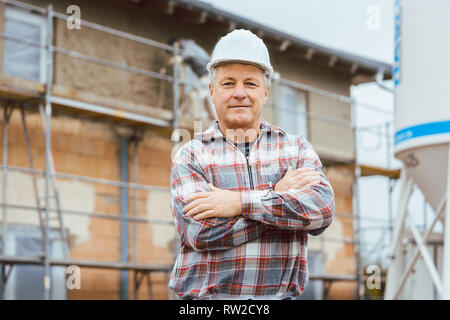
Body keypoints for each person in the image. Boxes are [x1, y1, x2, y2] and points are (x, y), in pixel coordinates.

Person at [169, 29, 335, 300]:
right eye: (228, 83)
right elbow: (199, 232)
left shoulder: (296, 149)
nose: (239, 93)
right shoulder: (191, 155)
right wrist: (278, 199)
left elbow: (322, 211)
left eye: (250, 83)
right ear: (212, 92)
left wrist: (239, 203)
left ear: (265, 92)